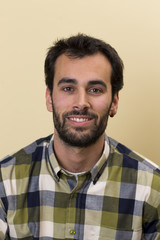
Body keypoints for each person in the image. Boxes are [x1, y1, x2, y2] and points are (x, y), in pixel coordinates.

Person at [0, 34, 160, 240]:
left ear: (114, 102)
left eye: (95, 89)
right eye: (68, 88)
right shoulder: (5, 181)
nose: (81, 102)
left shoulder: (152, 187)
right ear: (49, 98)